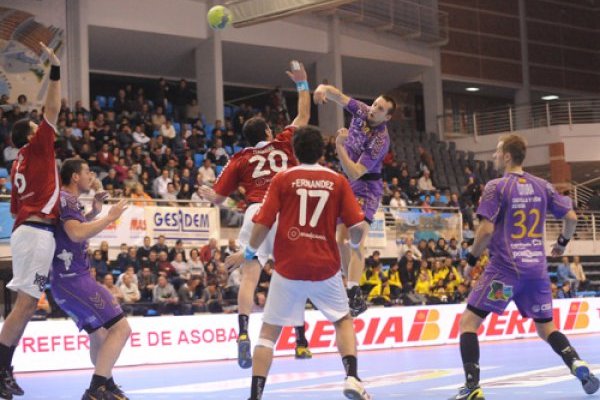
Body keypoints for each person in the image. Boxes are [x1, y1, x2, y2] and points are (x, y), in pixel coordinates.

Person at [226, 125, 371, 400]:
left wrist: (248, 253)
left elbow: (262, 223)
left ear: (293, 150)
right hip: (325, 267)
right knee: (342, 320)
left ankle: (255, 396)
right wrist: (354, 244)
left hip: (288, 267)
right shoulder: (337, 180)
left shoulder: (282, 179)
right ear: (321, 151)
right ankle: (352, 377)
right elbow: (357, 227)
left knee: (268, 334)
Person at [451, 134, 598, 400]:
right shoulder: (543, 185)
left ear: (507, 156)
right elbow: (572, 217)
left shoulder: (496, 187)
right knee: (546, 328)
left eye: (497, 152)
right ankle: (576, 363)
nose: (495, 156)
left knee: (469, 323)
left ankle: (472, 389)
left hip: (505, 273)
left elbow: (485, 230)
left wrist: (470, 260)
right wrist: (562, 244)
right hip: (537, 273)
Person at [199, 60, 312, 368]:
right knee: (294, 275)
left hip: (253, 213)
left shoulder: (239, 158)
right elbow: (304, 115)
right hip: (284, 211)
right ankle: (301, 340)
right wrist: (302, 82)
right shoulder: (283, 141)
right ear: (266, 131)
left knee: (249, 278)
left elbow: (219, 200)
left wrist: (215, 197)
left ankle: (244, 334)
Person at [0, 43, 62, 398]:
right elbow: (51, 108)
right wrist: (55, 70)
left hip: (27, 229)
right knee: (25, 305)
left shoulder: (18, 162)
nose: (44, 127)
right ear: (30, 135)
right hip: (36, 232)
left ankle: (4, 369)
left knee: (25, 305)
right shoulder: (37, 146)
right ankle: (1, 368)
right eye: (38, 127)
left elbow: (14, 208)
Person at [50, 158, 131, 399]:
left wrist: (94, 211)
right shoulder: (67, 199)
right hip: (74, 280)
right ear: (75, 176)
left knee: (99, 334)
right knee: (121, 328)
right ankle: (96, 388)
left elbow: (72, 228)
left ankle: (107, 383)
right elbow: (75, 234)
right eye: (87, 172)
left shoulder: (67, 201)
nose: (91, 176)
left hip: (66, 282)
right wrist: (109, 217)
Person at [313, 84, 394, 317]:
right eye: (375, 104)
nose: (374, 110)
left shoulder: (380, 140)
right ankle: (352, 292)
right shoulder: (361, 110)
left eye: (380, 109)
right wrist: (321, 90)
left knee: (356, 237)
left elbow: (355, 171)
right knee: (340, 239)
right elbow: (336, 94)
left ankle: (353, 289)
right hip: (348, 185)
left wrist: (339, 146)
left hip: (366, 186)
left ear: (387, 117)